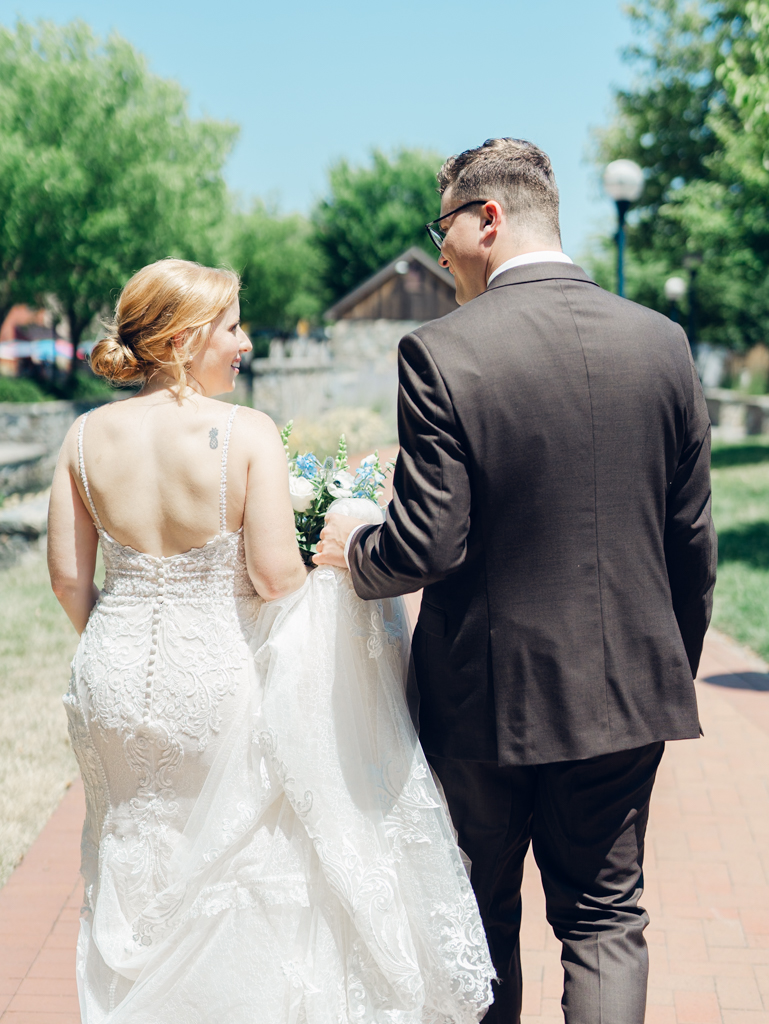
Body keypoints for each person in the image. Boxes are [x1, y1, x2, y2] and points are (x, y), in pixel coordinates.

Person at [316, 138, 717, 1024]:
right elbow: (691, 541)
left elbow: (424, 546)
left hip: (486, 706)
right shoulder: (662, 344)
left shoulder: (441, 352)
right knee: (606, 919)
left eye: (444, 227)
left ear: (486, 219)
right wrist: (661, 670)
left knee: (476, 918)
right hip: (627, 698)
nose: (444, 247)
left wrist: (350, 547)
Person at [47, 258, 494, 1023]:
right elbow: (276, 576)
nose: (244, 342)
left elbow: (66, 577)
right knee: (233, 868)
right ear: (187, 340)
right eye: (231, 327)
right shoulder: (243, 434)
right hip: (215, 673)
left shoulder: (84, 437)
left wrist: (120, 634)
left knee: (129, 853)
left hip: (113, 676)